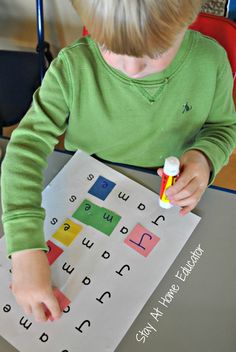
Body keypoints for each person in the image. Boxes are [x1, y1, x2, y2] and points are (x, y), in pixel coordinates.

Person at [1, 0, 236, 323]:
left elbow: (223, 128)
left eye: (154, 52)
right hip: (87, 190)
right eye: (110, 47)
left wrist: (205, 156)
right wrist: (25, 247)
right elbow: (25, 147)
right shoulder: (73, 67)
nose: (131, 69)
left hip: (163, 201)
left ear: (188, 19)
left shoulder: (212, 63)